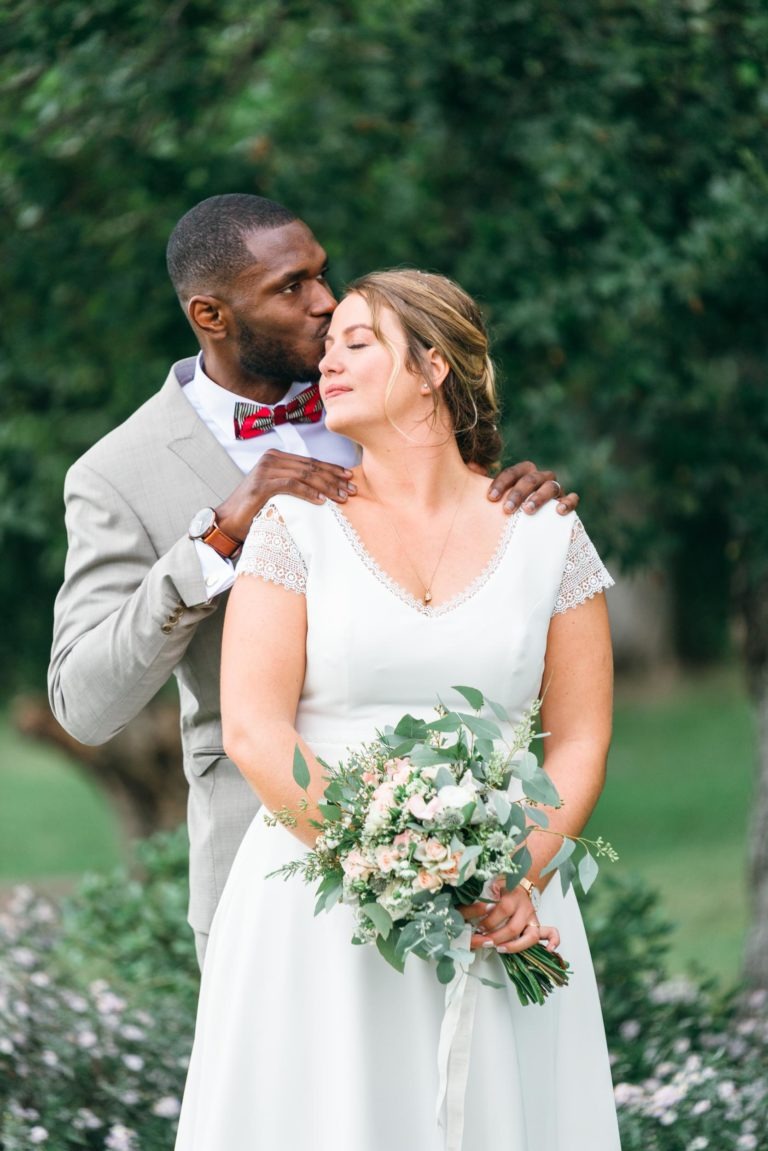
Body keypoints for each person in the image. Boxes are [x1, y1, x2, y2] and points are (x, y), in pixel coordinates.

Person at [47, 195, 576, 967]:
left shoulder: (378, 396)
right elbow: (84, 705)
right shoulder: (115, 475)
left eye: (323, 274)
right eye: (291, 287)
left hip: (463, 842)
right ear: (211, 314)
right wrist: (218, 537)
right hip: (261, 862)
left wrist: (515, 499)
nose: (326, 303)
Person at [174, 269, 619, 1150]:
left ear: (434, 366)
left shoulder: (549, 535)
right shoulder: (294, 527)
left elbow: (580, 737)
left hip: (505, 904)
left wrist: (503, 883)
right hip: (319, 905)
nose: (324, 361)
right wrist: (404, 866)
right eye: (327, 343)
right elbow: (256, 731)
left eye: (356, 342)